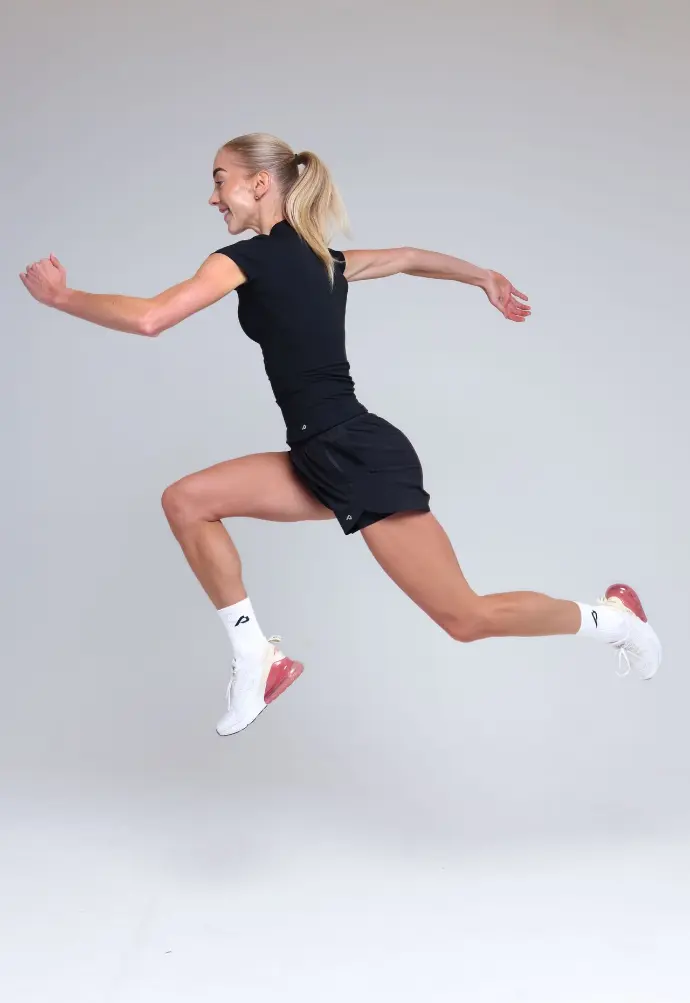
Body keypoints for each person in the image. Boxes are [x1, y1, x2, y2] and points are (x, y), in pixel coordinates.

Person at [20, 132, 661, 737]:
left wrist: (63, 298)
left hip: (353, 452)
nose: (213, 198)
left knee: (465, 617)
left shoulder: (245, 259)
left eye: (220, 181)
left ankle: (613, 619)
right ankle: (256, 657)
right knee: (186, 501)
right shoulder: (324, 260)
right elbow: (406, 258)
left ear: (260, 183)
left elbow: (153, 318)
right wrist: (482, 275)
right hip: (317, 452)